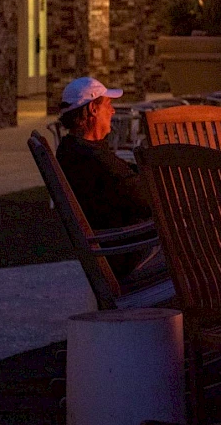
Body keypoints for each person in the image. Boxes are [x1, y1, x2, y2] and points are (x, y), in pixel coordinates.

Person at [53, 76, 154, 279]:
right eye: (108, 104)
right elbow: (147, 201)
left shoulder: (73, 149)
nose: (113, 111)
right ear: (93, 110)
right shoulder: (93, 159)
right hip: (126, 251)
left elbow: (126, 180)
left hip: (114, 243)